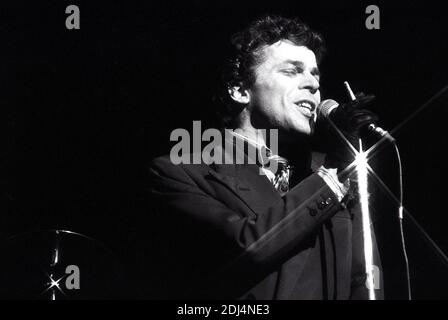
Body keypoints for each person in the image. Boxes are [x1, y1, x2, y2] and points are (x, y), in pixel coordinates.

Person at [148, 15, 384, 300]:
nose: (312, 85)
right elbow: (247, 246)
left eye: (314, 74)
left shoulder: (331, 171)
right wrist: (333, 176)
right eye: (292, 71)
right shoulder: (179, 172)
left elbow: (364, 278)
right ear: (239, 90)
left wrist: (345, 172)